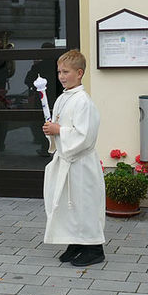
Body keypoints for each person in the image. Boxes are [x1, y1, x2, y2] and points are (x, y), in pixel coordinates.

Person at [42, 49, 106, 267]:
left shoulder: (83, 101)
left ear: (79, 73)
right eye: (59, 71)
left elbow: (85, 135)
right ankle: (76, 242)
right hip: (66, 162)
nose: (61, 76)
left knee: (84, 204)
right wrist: (52, 131)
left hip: (80, 164)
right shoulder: (62, 98)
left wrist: (59, 130)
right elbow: (60, 125)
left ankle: (95, 248)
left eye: (66, 72)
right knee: (70, 206)